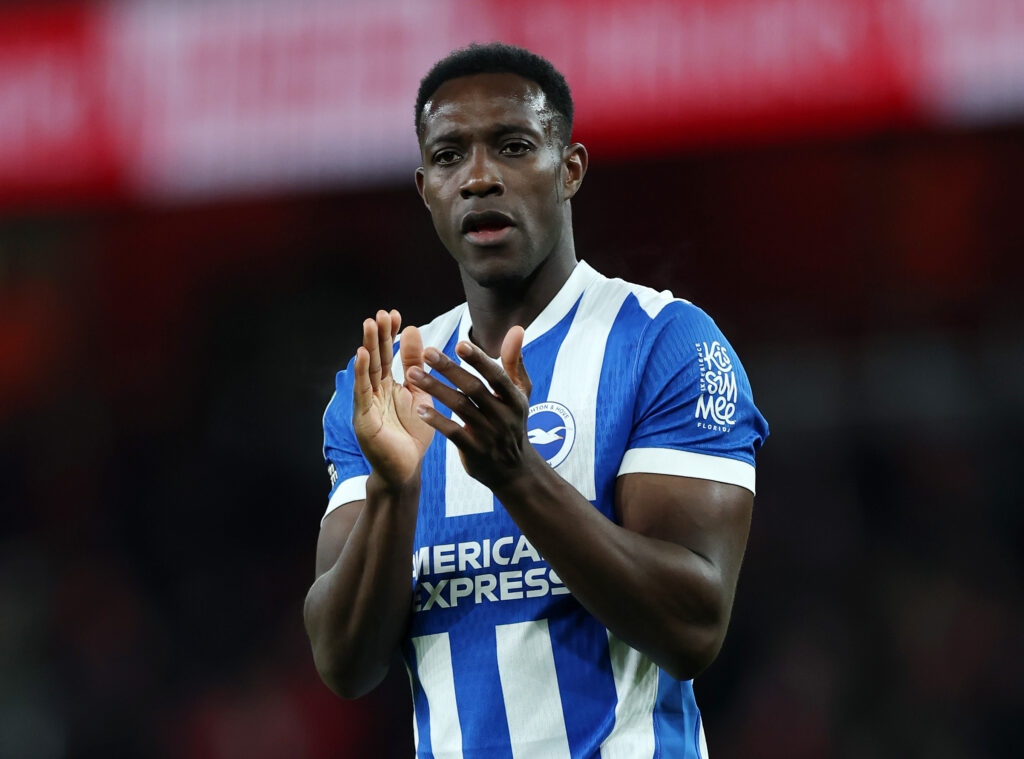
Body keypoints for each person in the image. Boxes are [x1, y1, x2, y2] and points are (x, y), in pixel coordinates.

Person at [304, 43, 768, 758]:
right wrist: (396, 491)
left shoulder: (666, 345)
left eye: (513, 146)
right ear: (427, 188)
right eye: (452, 156)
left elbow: (693, 630)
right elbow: (344, 662)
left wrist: (517, 474)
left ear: (569, 168)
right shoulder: (387, 383)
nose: (480, 178)